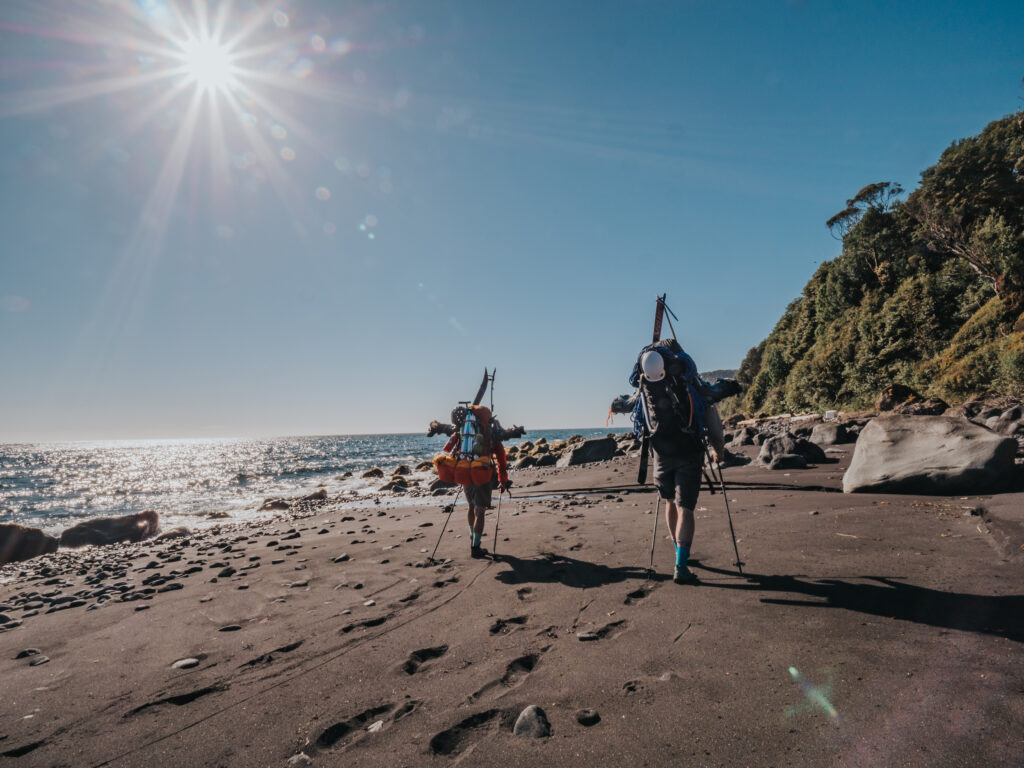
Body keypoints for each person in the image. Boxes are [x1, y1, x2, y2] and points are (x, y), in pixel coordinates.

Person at [633, 343, 726, 584]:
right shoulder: (687, 381)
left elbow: (641, 420)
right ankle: (681, 566)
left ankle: (678, 552)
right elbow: (711, 420)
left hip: (661, 453)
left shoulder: (647, 385)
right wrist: (719, 450)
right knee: (686, 507)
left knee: (669, 502)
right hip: (688, 452)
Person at [440, 405, 511, 558]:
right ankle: (476, 547)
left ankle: (472, 538)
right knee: (481, 511)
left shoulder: (463, 432)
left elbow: (450, 451)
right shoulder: (489, 433)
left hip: (465, 471)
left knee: (471, 506)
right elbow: (501, 458)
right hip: (482, 474)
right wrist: (502, 480)